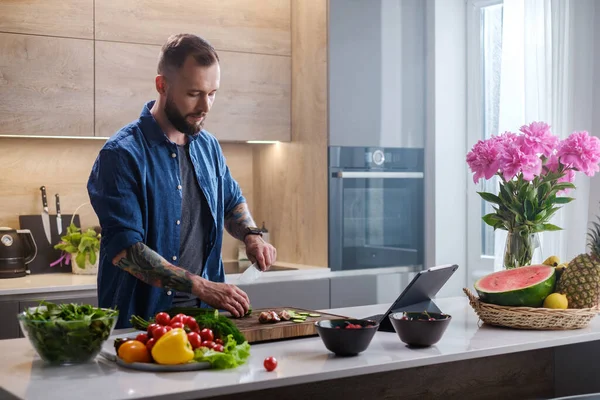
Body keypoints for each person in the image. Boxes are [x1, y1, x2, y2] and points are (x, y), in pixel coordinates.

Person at [87, 33, 277, 328]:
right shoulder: (121, 155)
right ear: (162, 85)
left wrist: (251, 235)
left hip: (204, 321)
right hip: (142, 324)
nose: (206, 106)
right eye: (194, 93)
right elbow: (127, 250)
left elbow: (230, 200)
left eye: (212, 93)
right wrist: (202, 286)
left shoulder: (208, 145)